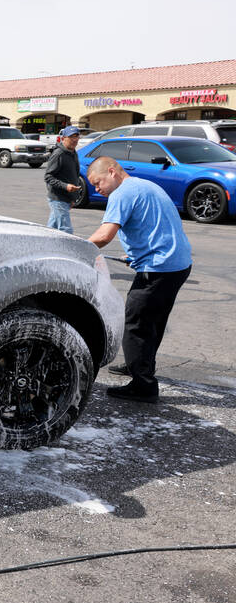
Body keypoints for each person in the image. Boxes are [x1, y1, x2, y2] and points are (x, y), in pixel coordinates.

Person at [85, 156, 192, 403]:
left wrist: (75, 247)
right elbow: (155, 225)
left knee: (136, 324)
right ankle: (139, 364)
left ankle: (143, 385)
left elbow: (104, 236)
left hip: (159, 268)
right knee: (152, 322)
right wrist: (136, 253)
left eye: (98, 182)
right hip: (177, 265)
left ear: (112, 172)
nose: (96, 189)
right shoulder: (146, 185)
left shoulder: (121, 194)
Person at [44, 125, 82, 233]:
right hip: (57, 197)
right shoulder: (58, 154)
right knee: (66, 229)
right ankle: (69, 250)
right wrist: (66, 186)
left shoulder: (73, 152)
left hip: (66, 197)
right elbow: (48, 177)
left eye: (76, 137)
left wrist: (73, 197)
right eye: (71, 137)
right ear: (63, 138)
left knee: (52, 228)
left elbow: (73, 175)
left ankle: (45, 245)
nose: (75, 140)